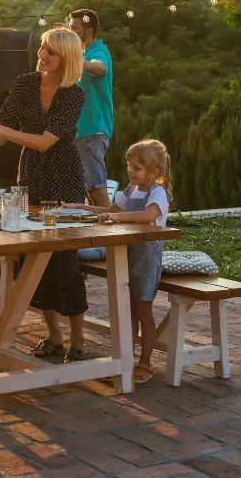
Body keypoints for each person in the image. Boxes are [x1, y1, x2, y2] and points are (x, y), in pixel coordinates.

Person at [0, 27, 90, 362]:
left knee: (65, 258)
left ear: (66, 58)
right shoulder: (25, 83)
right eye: (42, 48)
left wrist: (2, 130)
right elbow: (1, 136)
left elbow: (43, 141)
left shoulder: (74, 94)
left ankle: (79, 339)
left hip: (64, 177)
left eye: (50, 52)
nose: (42, 55)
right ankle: (53, 335)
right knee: (33, 257)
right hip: (30, 176)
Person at [64, 139, 171, 385]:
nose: (130, 171)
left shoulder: (157, 193)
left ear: (154, 172)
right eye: (129, 165)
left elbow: (148, 215)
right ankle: (125, 361)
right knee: (128, 313)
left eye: (137, 167)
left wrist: (117, 217)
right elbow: (105, 210)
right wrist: (77, 207)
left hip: (145, 260)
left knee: (143, 312)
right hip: (126, 257)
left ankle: (145, 362)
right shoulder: (129, 192)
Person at [68, 9, 114, 208]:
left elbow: (100, 68)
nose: (70, 33)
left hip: (92, 132)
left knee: (96, 190)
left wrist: (78, 59)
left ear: (87, 31)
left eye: (74, 29)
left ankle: (111, 237)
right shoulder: (83, 52)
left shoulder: (98, 51)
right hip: (81, 133)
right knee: (88, 191)